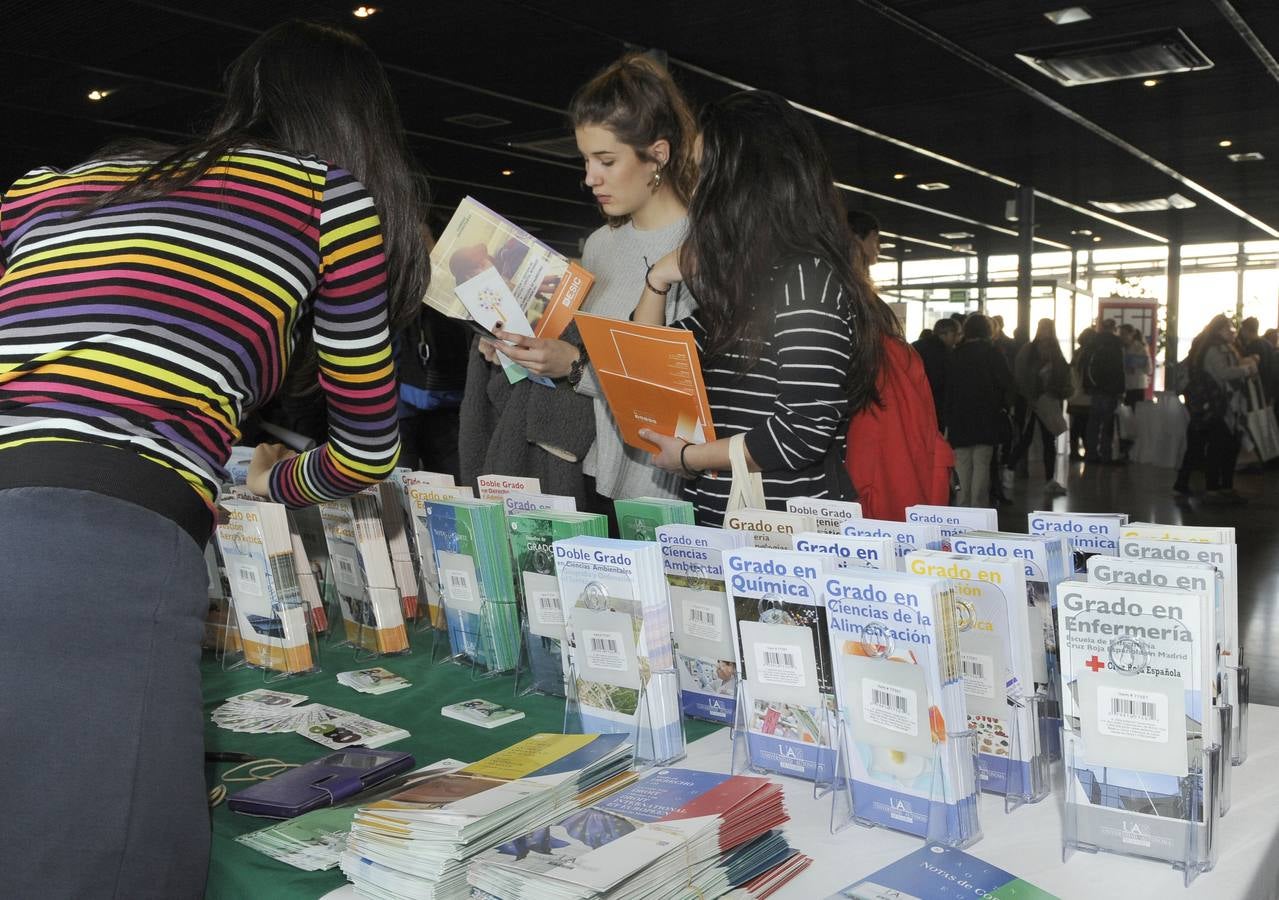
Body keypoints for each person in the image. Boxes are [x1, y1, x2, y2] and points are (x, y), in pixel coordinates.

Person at [0, 21, 427, 897]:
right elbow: (369, 450)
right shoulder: (324, 194)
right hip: (90, 548)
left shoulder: (43, 187)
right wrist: (271, 479)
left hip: (53, 523)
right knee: (111, 871)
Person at [459, 52, 698, 518]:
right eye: (587, 159)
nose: (590, 178)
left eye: (606, 160)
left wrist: (575, 367)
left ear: (658, 155)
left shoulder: (698, 249)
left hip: (663, 489)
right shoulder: (600, 247)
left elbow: (680, 399)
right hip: (586, 473)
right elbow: (576, 351)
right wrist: (518, 352)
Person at [634, 91, 884, 526]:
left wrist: (691, 458)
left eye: (703, 170)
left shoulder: (806, 280)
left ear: (745, 181)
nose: (694, 186)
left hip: (786, 537)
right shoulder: (743, 282)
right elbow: (646, 366)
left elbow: (800, 433)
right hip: (726, 520)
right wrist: (657, 280)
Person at [1176, 315, 1259, 502]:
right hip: (1217, 405)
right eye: (1229, 329)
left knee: (1207, 446)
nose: (1232, 332)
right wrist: (1246, 369)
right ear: (1219, 330)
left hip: (1217, 405)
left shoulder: (1215, 347)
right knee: (1218, 447)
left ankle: (1213, 486)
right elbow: (1222, 373)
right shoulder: (1214, 349)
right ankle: (1215, 487)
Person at [943, 314, 1013, 507]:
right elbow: (1007, 383)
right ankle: (978, 505)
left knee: (962, 464)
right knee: (982, 463)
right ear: (988, 331)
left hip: (959, 418)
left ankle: (962, 505)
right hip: (986, 417)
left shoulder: (956, 354)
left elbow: (947, 388)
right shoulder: (993, 353)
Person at [1006, 318, 1072, 495]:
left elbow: (1021, 375)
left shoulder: (1033, 350)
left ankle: (1014, 472)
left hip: (1041, 401)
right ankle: (1017, 472)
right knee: (1032, 439)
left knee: (1041, 440)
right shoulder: (1047, 351)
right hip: (1037, 401)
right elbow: (1022, 376)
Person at [1081, 318, 1126, 463]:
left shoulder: (1092, 343)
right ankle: (1106, 454)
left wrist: (1088, 385)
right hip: (1111, 389)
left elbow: (1085, 364)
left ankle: (1091, 453)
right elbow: (1119, 369)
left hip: (1096, 388)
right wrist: (1121, 389)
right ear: (1114, 328)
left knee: (1093, 423)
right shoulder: (1117, 344)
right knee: (1107, 423)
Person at [913, 317, 960, 428]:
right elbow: (943, 383)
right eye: (955, 335)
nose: (956, 339)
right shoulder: (945, 353)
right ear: (945, 334)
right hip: (935, 406)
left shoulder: (916, 346)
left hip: (915, 402)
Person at [1067, 327, 1095, 459]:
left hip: (1074, 394)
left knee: (1076, 425)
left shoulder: (1077, 353)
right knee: (1085, 425)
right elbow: (1088, 375)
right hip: (1085, 395)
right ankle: (1087, 450)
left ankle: (1074, 451)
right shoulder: (1090, 354)